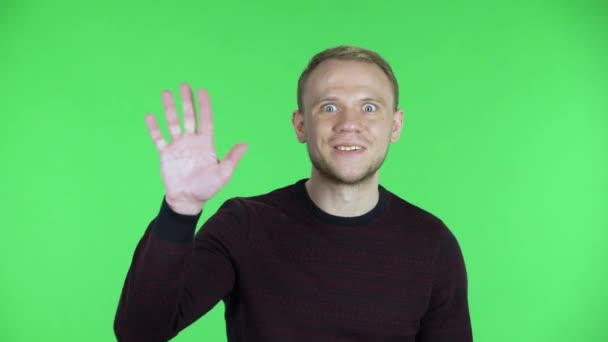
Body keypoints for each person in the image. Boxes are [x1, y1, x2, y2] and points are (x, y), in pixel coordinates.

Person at [114, 45, 472, 341]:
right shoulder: (244, 226)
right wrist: (180, 209)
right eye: (328, 107)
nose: (349, 123)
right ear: (301, 125)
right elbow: (139, 331)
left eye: (369, 107)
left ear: (395, 126)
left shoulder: (431, 243)